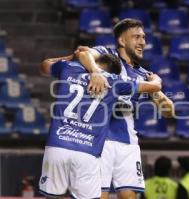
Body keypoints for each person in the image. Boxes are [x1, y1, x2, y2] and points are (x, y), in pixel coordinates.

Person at [38, 53, 163, 199]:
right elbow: (155, 86)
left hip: (57, 145)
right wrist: (155, 77)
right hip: (87, 152)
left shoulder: (69, 68)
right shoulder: (115, 82)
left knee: (52, 196)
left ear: (94, 62)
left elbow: (45, 65)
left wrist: (72, 57)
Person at [75, 18, 174, 199]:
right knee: (99, 196)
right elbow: (83, 54)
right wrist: (95, 72)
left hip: (128, 142)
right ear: (122, 41)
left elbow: (169, 111)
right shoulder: (107, 56)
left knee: (129, 196)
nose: (142, 42)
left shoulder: (144, 74)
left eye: (143, 37)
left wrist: (156, 87)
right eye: (136, 37)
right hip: (99, 139)